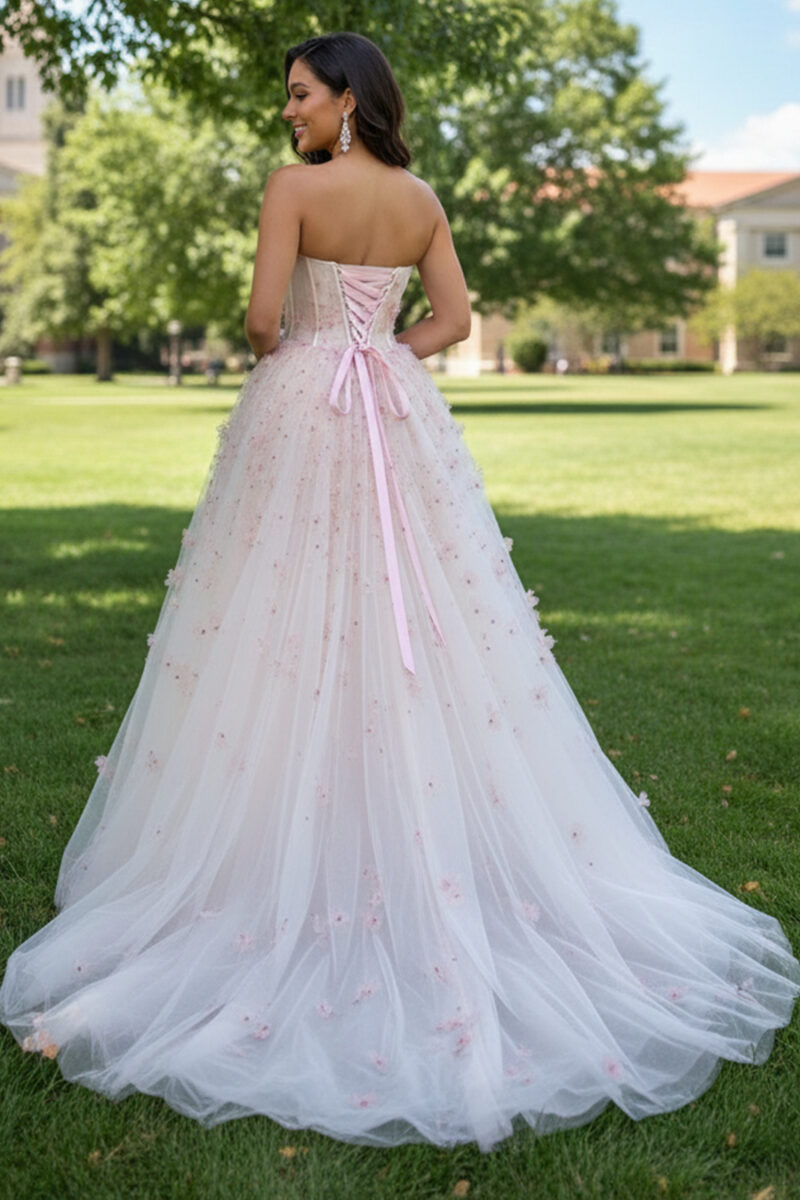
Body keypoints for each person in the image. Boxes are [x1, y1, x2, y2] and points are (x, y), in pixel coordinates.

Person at [1, 32, 798, 1155]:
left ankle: (282, 837)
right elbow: (457, 319)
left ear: (343, 101)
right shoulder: (418, 196)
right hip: (390, 411)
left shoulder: (294, 191)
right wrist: (385, 354)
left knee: (277, 616)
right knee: (421, 610)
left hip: (302, 411)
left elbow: (263, 322)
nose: (287, 115)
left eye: (297, 96)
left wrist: (316, 348)